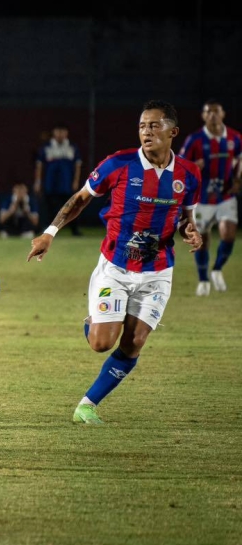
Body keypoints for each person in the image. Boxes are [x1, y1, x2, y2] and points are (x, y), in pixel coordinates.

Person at [27, 100, 203, 425]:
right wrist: (50, 232)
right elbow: (81, 198)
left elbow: (184, 217)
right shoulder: (118, 164)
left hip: (158, 272)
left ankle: (87, 405)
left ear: (173, 132)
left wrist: (190, 230)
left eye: (154, 125)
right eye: (142, 126)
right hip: (116, 269)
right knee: (101, 343)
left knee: (135, 342)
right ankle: (96, 319)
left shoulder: (189, 174)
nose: (146, 132)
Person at [177, 98, 241, 295]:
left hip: (225, 196)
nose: (212, 115)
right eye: (208, 112)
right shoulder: (194, 140)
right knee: (201, 240)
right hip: (202, 199)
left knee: (229, 234)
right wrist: (194, 167)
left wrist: (238, 179)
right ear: (203, 116)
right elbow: (180, 166)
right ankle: (203, 279)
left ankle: (217, 269)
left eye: (216, 111)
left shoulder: (235, 137)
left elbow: (240, 159)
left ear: (223, 114)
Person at [33, 123, 83, 236]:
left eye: (62, 131)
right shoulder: (46, 147)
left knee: (72, 206)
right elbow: (39, 166)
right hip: (50, 183)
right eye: (58, 131)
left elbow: (78, 166)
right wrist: (38, 181)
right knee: (48, 207)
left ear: (66, 133)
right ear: (54, 133)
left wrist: (76, 181)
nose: (60, 134)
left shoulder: (72, 147)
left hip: (66, 183)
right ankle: (46, 229)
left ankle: (74, 230)